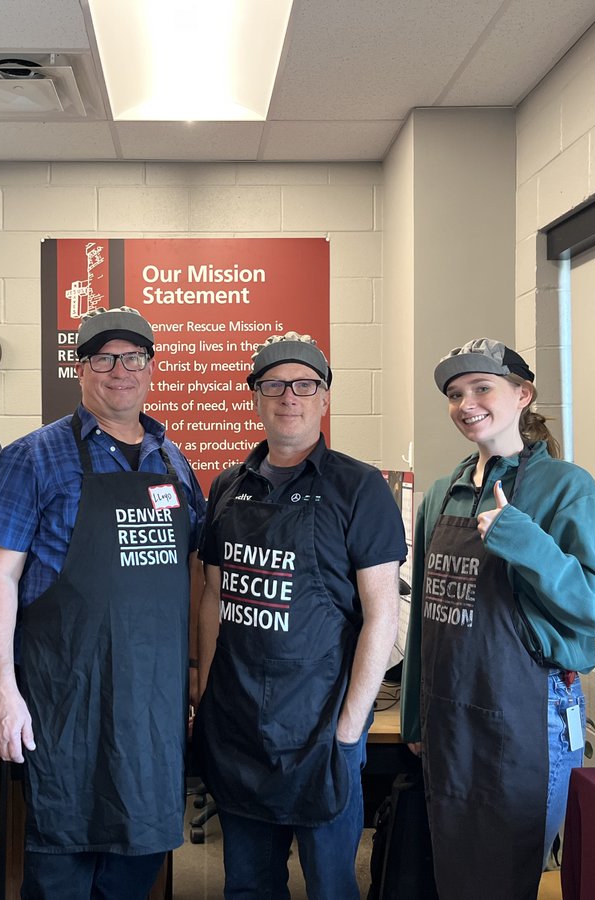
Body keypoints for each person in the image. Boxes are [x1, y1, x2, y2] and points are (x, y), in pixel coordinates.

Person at [0, 306, 206, 900]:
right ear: (81, 369)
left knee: (140, 859)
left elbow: (196, 575)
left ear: (151, 368)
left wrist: (195, 674)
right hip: (64, 702)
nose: (120, 371)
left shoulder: (173, 462)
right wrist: (0, 683)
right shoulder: (34, 457)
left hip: (151, 708)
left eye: (133, 358)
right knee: (60, 868)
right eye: (105, 358)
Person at [400, 337, 595, 899]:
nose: (466, 402)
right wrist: (414, 717)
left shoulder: (569, 488)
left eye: (482, 387)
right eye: (455, 393)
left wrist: (526, 541)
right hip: (450, 716)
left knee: (510, 877)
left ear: (522, 395)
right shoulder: (440, 495)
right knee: (456, 874)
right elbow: (427, 618)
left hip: (530, 714)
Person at [193, 332, 405, 900]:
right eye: (274, 385)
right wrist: (209, 692)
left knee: (330, 886)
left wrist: (349, 726)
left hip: (321, 727)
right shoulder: (227, 487)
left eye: (305, 384)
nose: (290, 396)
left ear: (325, 398)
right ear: (256, 398)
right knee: (247, 884)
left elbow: (384, 614)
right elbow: (213, 592)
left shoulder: (360, 488)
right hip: (239, 726)